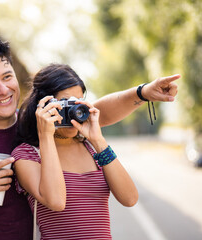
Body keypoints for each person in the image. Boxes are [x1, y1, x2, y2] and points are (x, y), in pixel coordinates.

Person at [0, 34, 179, 239]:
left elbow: (97, 111)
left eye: (7, 77)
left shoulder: (41, 124)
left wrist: (143, 92)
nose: (2, 89)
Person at [11, 63, 176, 239]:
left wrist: (98, 141)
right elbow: (56, 201)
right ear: (43, 106)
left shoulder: (91, 148)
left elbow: (129, 198)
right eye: (66, 103)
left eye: (78, 102)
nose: (74, 111)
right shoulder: (27, 155)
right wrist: (45, 135)